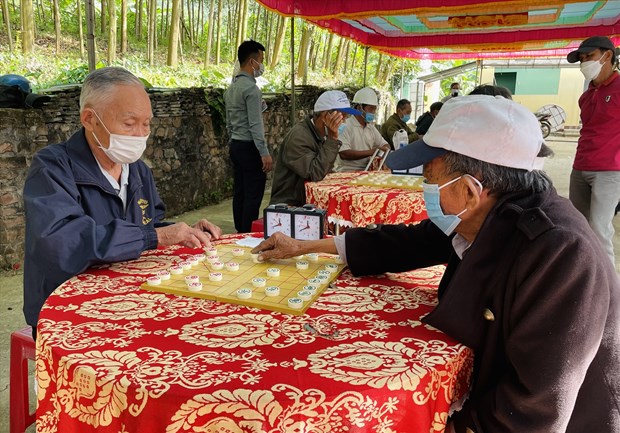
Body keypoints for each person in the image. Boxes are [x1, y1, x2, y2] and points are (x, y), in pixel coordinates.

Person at [252, 95, 620, 433]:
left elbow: (534, 409)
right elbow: (404, 243)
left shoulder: (560, 254)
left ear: (472, 190)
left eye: (430, 180)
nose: (424, 190)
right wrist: (305, 246)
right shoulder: (493, 212)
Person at [23, 67, 223, 337]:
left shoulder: (138, 170)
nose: (140, 134)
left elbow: (147, 226)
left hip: (130, 302)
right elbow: (62, 241)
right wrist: (154, 236)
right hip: (70, 311)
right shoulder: (53, 167)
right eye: (129, 124)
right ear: (89, 119)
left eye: (147, 123)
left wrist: (181, 230)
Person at [566, 35, 620, 267]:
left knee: (599, 230)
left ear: (607, 55)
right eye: (581, 59)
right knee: (578, 227)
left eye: (589, 56)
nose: (584, 63)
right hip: (580, 167)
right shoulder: (586, 96)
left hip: (610, 171)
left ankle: (609, 291)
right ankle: (584, 275)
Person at [270, 90, 360, 206]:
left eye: (345, 117)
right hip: (290, 206)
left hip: (308, 201)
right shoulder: (299, 137)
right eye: (341, 116)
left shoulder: (320, 134)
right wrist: (332, 140)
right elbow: (315, 173)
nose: (344, 121)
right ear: (325, 115)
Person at [225, 40, 273, 233]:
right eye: (261, 59)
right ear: (252, 61)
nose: (262, 65)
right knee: (253, 194)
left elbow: (229, 122)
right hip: (250, 146)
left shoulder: (232, 88)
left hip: (236, 145)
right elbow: (255, 124)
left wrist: (232, 141)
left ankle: (239, 231)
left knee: (240, 192)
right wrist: (264, 152)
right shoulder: (251, 90)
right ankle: (247, 233)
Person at [334, 87, 389, 172]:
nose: (373, 112)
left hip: (367, 171)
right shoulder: (345, 126)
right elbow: (344, 154)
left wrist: (384, 150)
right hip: (347, 172)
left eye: (374, 109)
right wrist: (371, 152)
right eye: (371, 109)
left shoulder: (370, 127)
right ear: (359, 108)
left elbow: (385, 145)